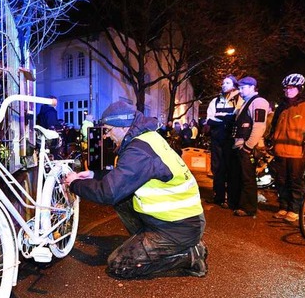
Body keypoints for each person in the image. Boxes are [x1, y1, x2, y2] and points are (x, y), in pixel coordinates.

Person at [64, 101, 207, 279]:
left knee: (119, 265)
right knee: (122, 198)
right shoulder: (144, 140)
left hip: (178, 227)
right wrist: (94, 174)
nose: (107, 136)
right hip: (178, 221)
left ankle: (189, 255)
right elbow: (125, 177)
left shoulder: (139, 151)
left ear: (123, 126)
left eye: (108, 130)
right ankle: (150, 244)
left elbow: (108, 193)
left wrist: (74, 184)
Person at [267, 73, 305, 223]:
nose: (288, 91)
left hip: (297, 151)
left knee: (295, 181)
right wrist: (270, 140)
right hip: (280, 149)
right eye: (286, 88)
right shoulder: (282, 106)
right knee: (281, 180)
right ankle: (283, 206)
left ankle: (294, 209)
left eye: (292, 88)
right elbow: (274, 126)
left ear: (300, 89)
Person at [230, 76, 270, 217]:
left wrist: (248, 146)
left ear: (252, 87)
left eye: (243, 87)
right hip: (242, 146)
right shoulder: (246, 103)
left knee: (248, 178)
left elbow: (259, 126)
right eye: (239, 87)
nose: (240, 90)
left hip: (247, 147)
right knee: (242, 176)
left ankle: (248, 208)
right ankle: (242, 204)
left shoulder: (258, 102)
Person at [205, 74, 244, 208]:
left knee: (230, 168)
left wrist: (221, 119)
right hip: (217, 139)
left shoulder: (239, 99)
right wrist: (225, 119)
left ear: (234, 85)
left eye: (227, 83)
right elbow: (209, 119)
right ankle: (218, 196)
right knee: (217, 168)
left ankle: (230, 198)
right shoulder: (215, 101)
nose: (224, 85)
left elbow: (236, 117)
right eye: (223, 83)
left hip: (230, 140)